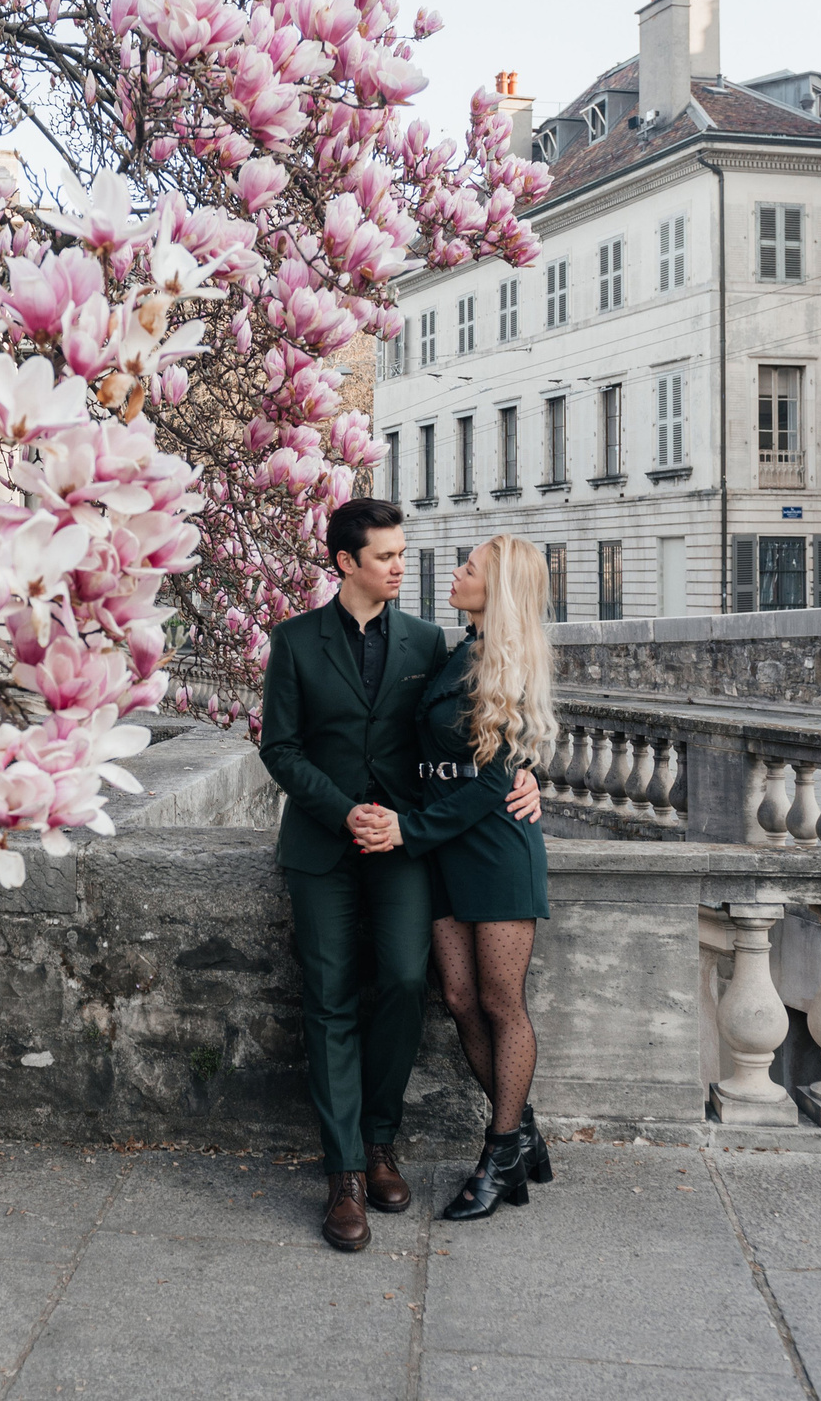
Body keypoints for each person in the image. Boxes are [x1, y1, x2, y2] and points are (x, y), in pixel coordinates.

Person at [257, 498, 544, 1254]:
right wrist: (344, 809)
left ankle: (383, 1140)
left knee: (410, 983)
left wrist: (527, 772)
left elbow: (489, 722)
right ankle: (346, 1172)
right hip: (325, 844)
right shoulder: (292, 642)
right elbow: (280, 750)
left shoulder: (429, 640)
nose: (401, 566)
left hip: (410, 848)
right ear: (345, 562)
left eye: (402, 553)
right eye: (385, 555)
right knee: (328, 999)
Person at [351, 534, 557, 1220]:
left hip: (494, 847)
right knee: (461, 996)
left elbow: (491, 783)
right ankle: (522, 1132)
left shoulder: (508, 661)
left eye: (469, 568)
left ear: (494, 589)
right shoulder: (453, 651)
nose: (457, 571)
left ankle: (500, 1152)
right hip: (442, 845)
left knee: (503, 1001)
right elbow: (441, 760)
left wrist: (409, 829)